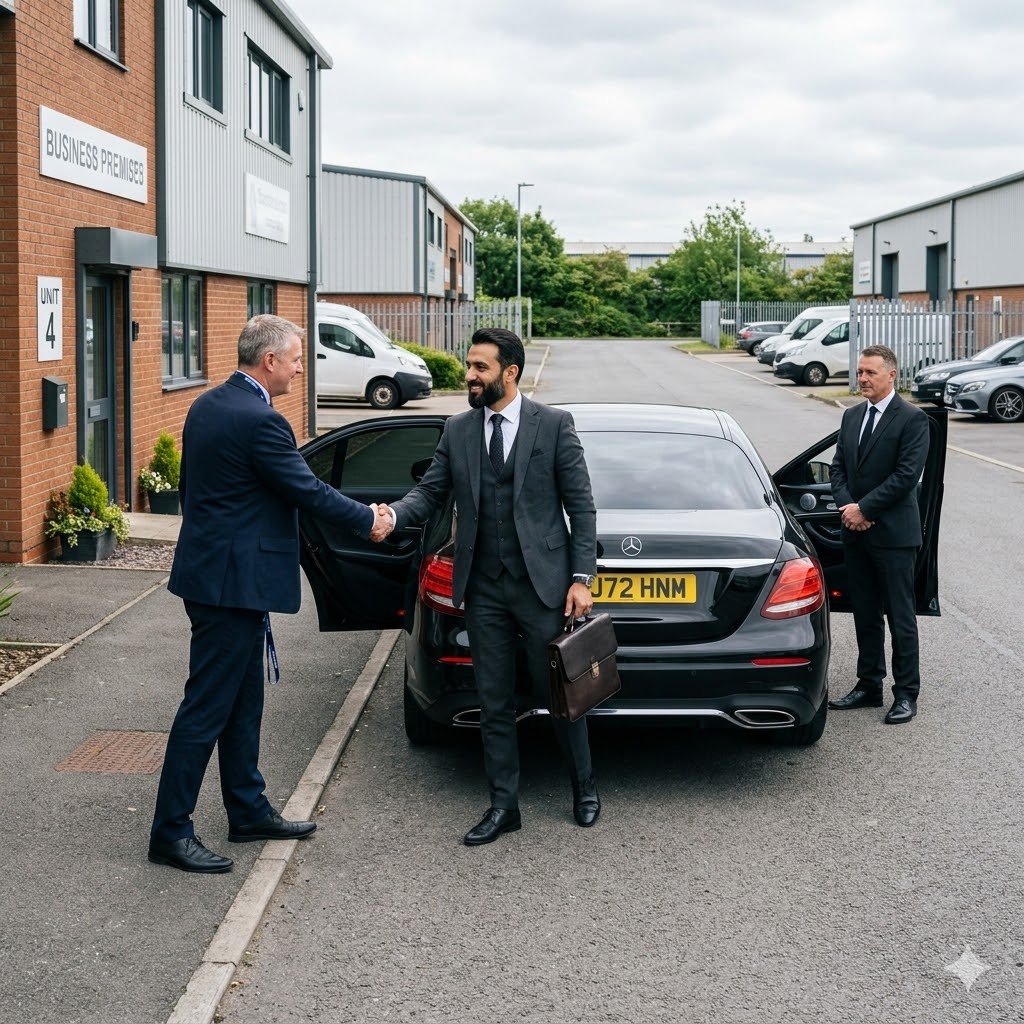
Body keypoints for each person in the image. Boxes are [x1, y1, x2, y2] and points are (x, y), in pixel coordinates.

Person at [149, 314, 390, 873]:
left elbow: (198, 491)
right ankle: (170, 831)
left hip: (215, 575)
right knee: (206, 708)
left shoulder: (208, 404)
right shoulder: (261, 420)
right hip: (231, 585)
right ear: (270, 361)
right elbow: (305, 489)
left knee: (243, 701)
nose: (303, 365)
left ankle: (248, 809)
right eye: (298, 356)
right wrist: (370, 520)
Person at [374, 327, 600, 845]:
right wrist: (389, 516)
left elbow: (581, 507)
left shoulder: (554, 425)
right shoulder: (458, 430)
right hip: (483, 589)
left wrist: (581, 578)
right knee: (493, 700)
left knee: (563, 695)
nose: (469, 375)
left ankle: (584, 788)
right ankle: (504, 805)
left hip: (542, 586)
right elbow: (429, 493)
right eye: (469, 365)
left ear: (510, 373)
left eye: (480, 367)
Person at [827, 344, 930, 725]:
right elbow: (837, 468)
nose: (863, 379)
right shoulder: (852, 416)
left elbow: (906, 477)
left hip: (893, 536)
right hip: (856, 533)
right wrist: (847, 508)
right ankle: (869, 685)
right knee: (865, 613)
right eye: (859, 372)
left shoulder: (912, 420)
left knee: (900, 616)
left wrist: (864, 509)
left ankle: (905, 694)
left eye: (870, 372)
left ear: (892, 375)